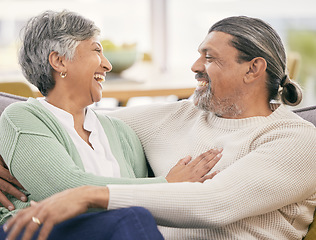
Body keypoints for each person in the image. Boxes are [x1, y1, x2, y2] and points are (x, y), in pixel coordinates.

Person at [1, 15, 316, 240]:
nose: (194, 67)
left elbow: (214, 203)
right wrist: (6, 148)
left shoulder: (296, 140)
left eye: (209, 58)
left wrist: (88, 194)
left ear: (253, 69)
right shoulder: (178, 115)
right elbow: (59, 119)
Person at [0, 10, 223, 239]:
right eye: (96, 50)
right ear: (59, 61)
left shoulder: (119, 131)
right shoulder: (22, 117)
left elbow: (146, 201)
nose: (107, 65)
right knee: (134, 217)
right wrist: (167, 184)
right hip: (34, 230)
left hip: (109, 232)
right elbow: (64, 188)